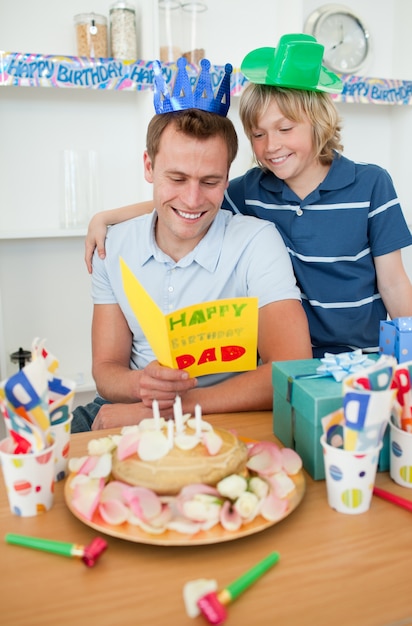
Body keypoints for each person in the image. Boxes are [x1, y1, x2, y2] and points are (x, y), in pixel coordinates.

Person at [85, 34, 412, 358]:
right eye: (258, 134)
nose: (271, 146)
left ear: (319, 122)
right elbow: (189, 199)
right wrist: (107, 218)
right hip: (290, 363)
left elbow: (394, 284)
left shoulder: (371, 184)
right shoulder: (249, 190)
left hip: (364, 357)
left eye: (285, 129)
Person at [72, 58, 312, 432]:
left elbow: (292, 367)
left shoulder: (256, 241)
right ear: (149, 167)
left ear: (228, 177)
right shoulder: (113, 246)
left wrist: (174, 410)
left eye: (211, 181)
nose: (192, 199)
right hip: (130, 404)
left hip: (224, 410)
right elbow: (106, 369)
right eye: (177, 178)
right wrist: (142, 386)